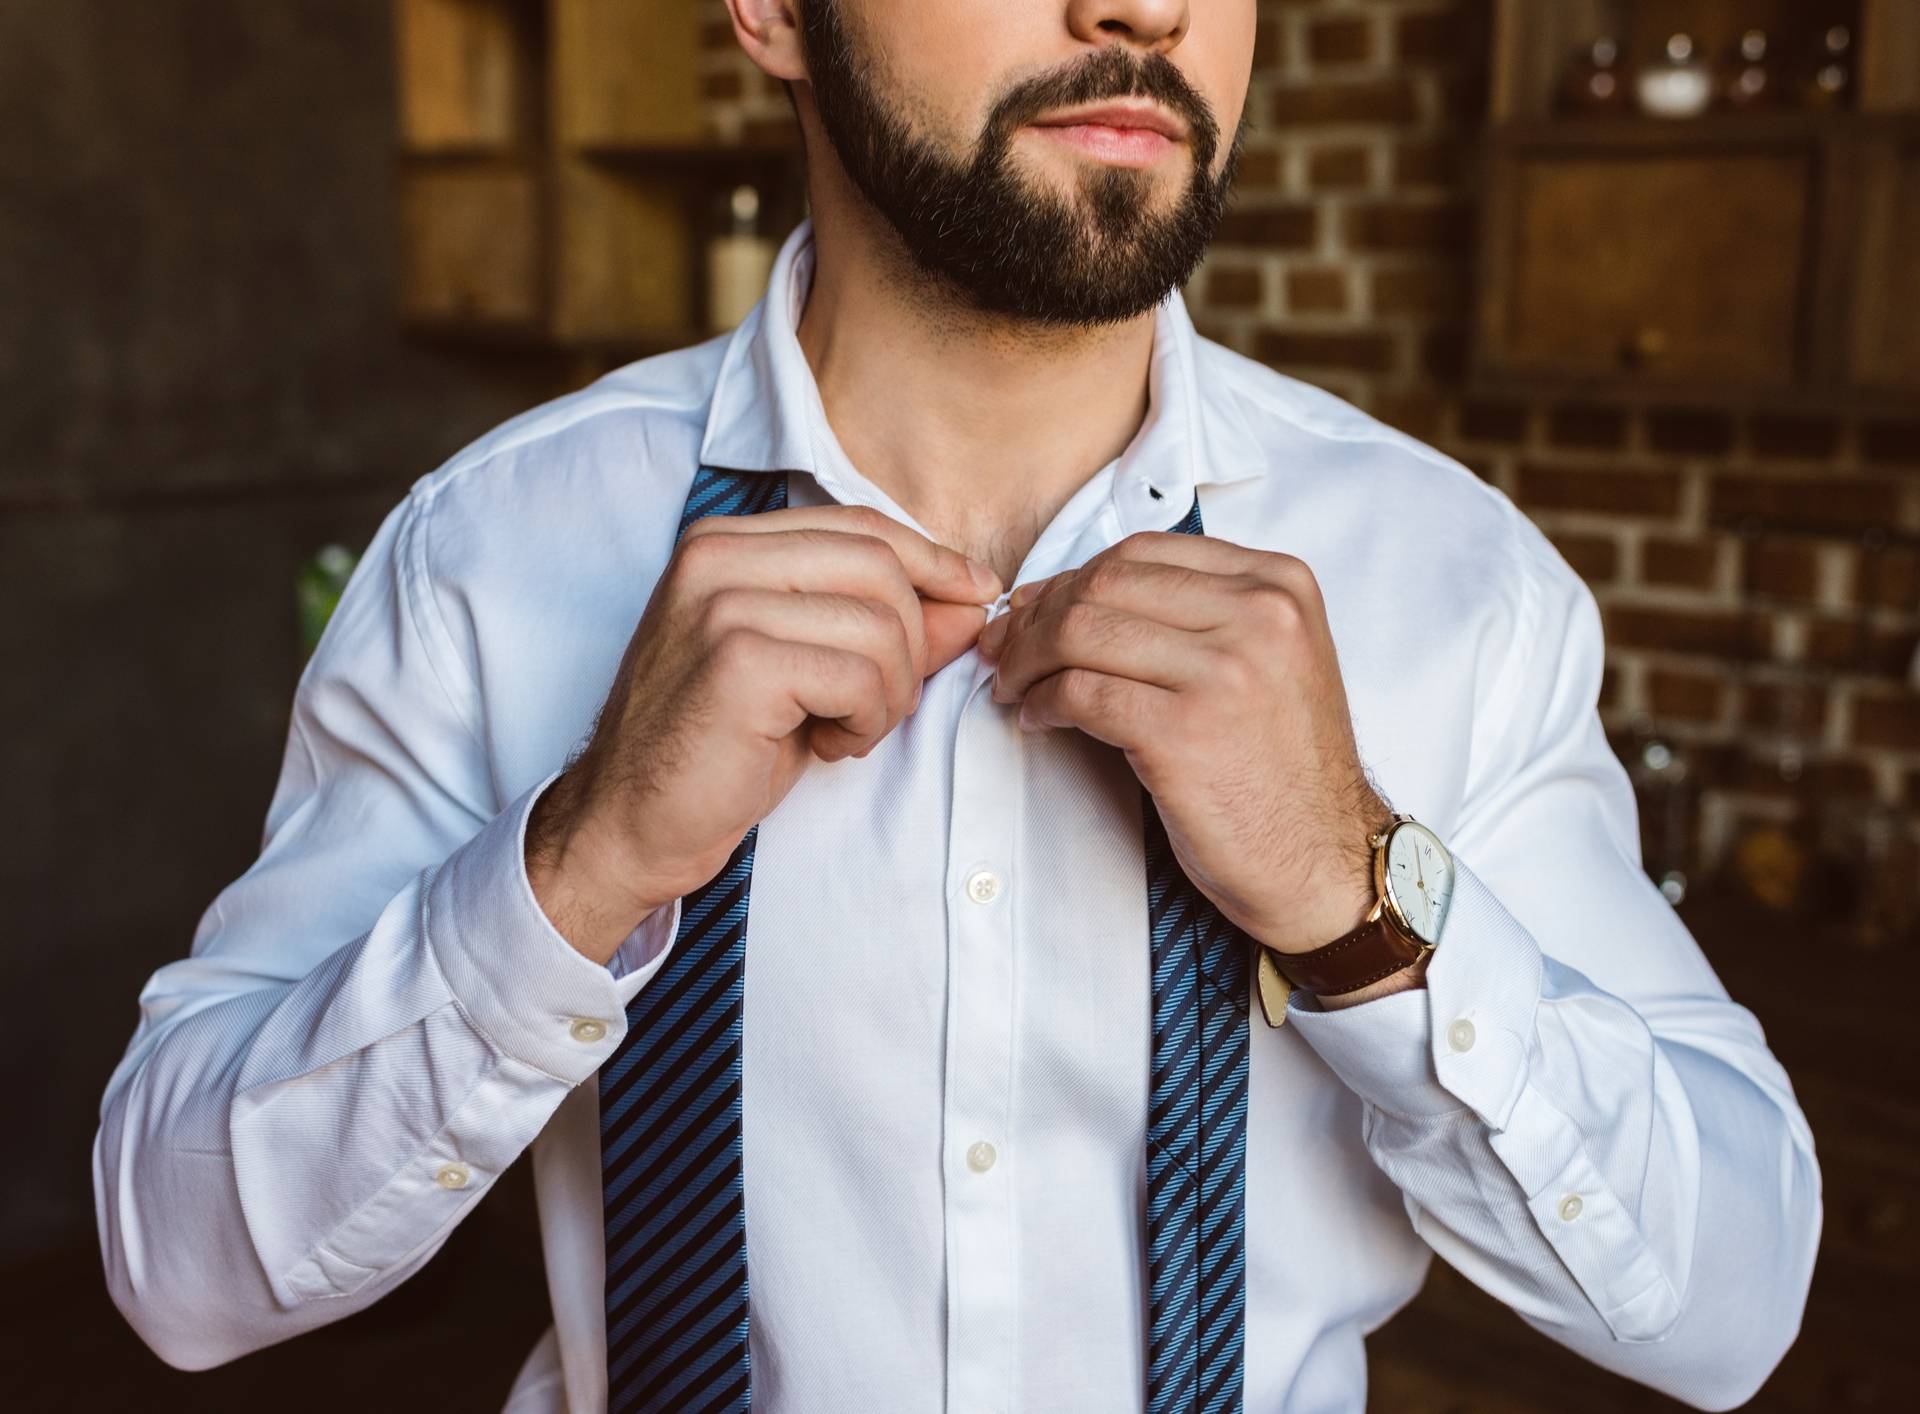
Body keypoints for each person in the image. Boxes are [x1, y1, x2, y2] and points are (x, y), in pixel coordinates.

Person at [94, 2, 1820, 1410]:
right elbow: (178, 1268)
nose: (1147, 11)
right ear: (772, 13)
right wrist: (580, 860)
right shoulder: (492, 555)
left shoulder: (1452, 582)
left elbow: (1730, 1302)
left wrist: (1360, 896)